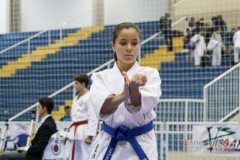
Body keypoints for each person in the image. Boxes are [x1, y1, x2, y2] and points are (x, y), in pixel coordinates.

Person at [88, 22, 162, 160]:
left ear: (139, 45)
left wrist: (134, 90)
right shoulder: (100, 77)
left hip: (141, 143)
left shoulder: (150, 74)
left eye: (134, 43)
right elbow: (102, 109)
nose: (129, 48)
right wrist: (123, 95)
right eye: (123, 43)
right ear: (113, 46)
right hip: (109, 142)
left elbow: (139, 106)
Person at [68, 74, 98, 160]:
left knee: (86, 154)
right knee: (76, 154)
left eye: (77, 83)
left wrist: (91, 135)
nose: (75, 85)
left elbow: (93, 116)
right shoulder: (76, 98)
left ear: (83, 84)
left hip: (85, 129)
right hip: (75, 129)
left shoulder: (89, 96)